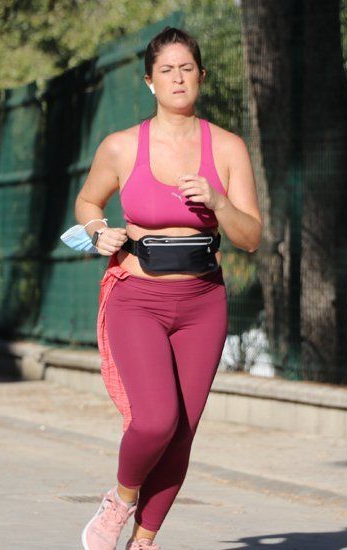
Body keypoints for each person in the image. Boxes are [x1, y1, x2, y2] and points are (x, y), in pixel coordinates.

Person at [75, 27, 262, 550]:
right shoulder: (121, 147)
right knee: (156, 421)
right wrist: (98, 233)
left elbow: (249, 237)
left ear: (201, 76)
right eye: (166, 70)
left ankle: (143, 542)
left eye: (186, 68)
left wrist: (220, 203)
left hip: (204, 303)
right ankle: (119, 501)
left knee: (182, 434)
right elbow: (87, 204)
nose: (178, 78)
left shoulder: (226, 148)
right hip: (137, 299)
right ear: (150, 82)